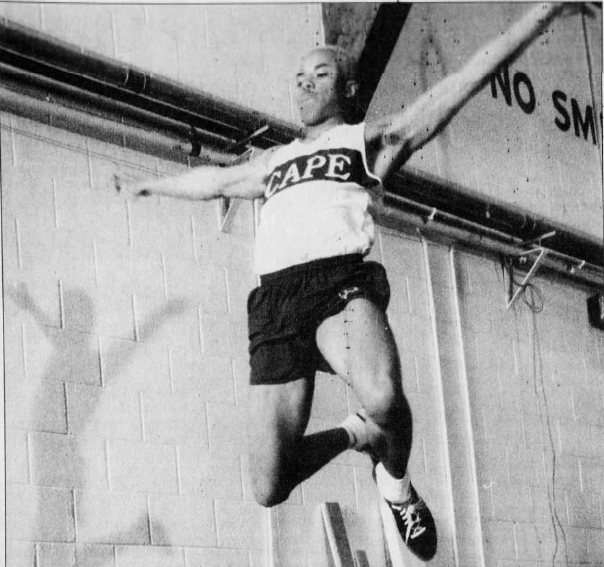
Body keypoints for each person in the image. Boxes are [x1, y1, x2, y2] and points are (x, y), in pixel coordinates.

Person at [115, 3, 571, 560]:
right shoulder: (274, 159)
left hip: (338, 285)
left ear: (349, 88)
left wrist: (542, 14)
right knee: (268, 485)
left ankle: (396, 485)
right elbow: (215, 181)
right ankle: (360, 434)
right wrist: (152, 185)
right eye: (299, 77)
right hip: (276, 304)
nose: (305, 83)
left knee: (382, 391)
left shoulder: (369, 141)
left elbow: (463, 80)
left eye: (320, 74)